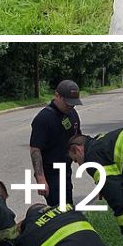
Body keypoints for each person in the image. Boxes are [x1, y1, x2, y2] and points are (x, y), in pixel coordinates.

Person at [30, 80, 83, 209]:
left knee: (68, 206)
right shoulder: (43, 118)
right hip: (51, 173)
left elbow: (77, 138)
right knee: (59, 210)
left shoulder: (72, 113)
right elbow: (35, 150)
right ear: (57, 96)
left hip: (66, 169)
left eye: (73, 103)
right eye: (68, 102)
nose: (71, 106)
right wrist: (40, 178)